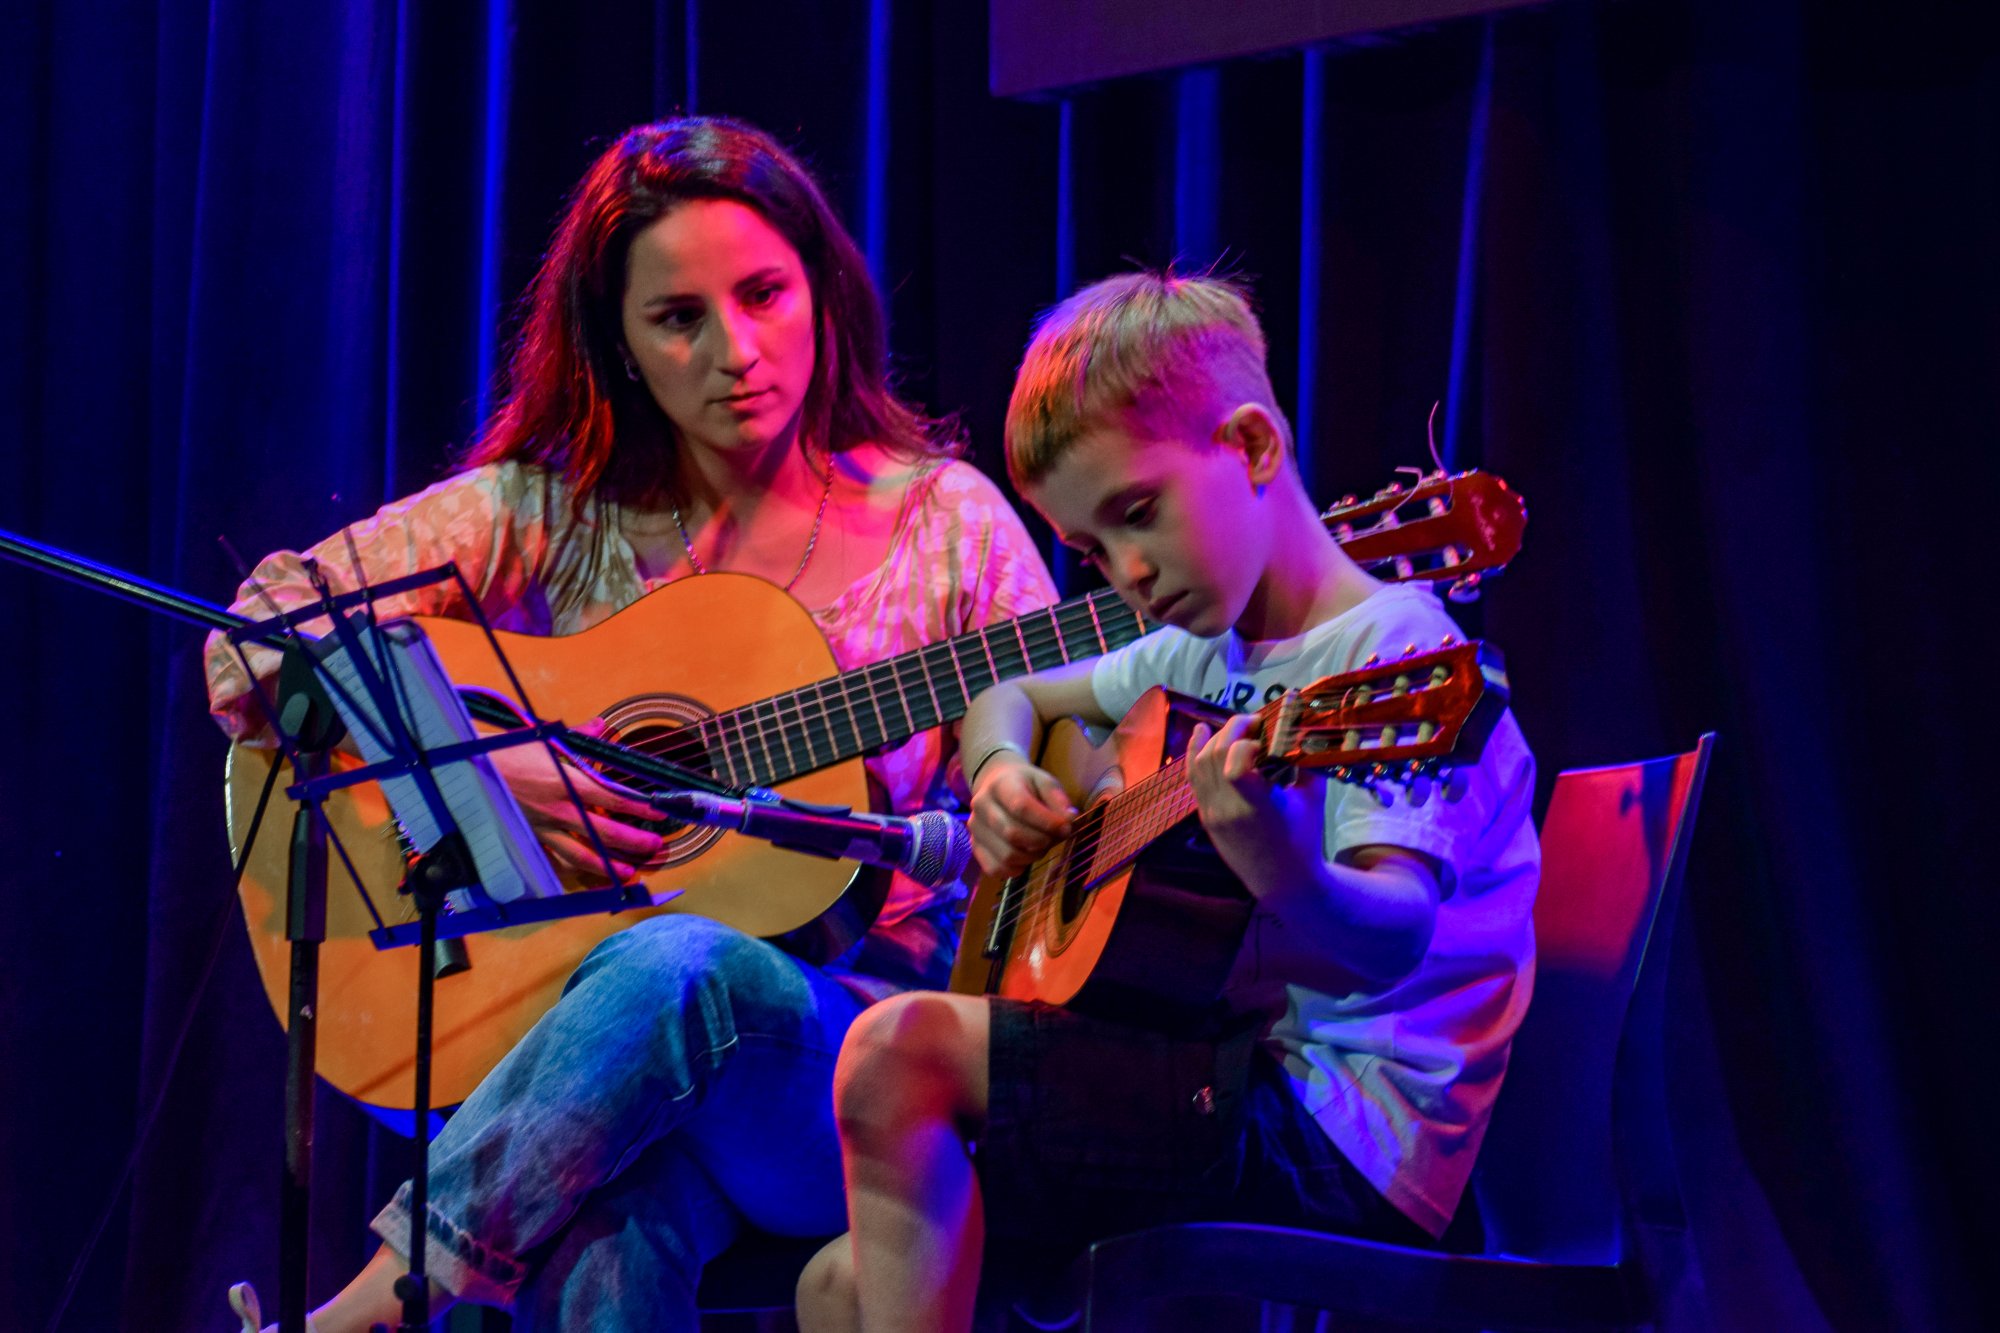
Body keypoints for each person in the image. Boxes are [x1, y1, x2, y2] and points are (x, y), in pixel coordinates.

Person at [207, 116, 1057, 1332]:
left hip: (855, 1088)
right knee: (606, 1218)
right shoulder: (550, 514)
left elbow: (1069, 780)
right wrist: (480, 771)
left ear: (819, 283)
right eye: (679, 319)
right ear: (620, 343)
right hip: (604, 1075)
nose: (738, 351)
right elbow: (258, 637)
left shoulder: (947, 524)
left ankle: (371, 1311)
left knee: (684, 957)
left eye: (765, 293)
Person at [795, 272, 1541, 1332]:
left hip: (1342, 1128)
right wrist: (1003, 773)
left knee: (893, 1052)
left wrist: (1280, 865)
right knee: (832, 1282)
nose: (1127, 571)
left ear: (1247, 448)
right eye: (1092, 549)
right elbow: (1001, 693)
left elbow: (1389, 939)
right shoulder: (1196, 647)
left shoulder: (1394, 655)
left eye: (1137, 514)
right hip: (1211, 1070)